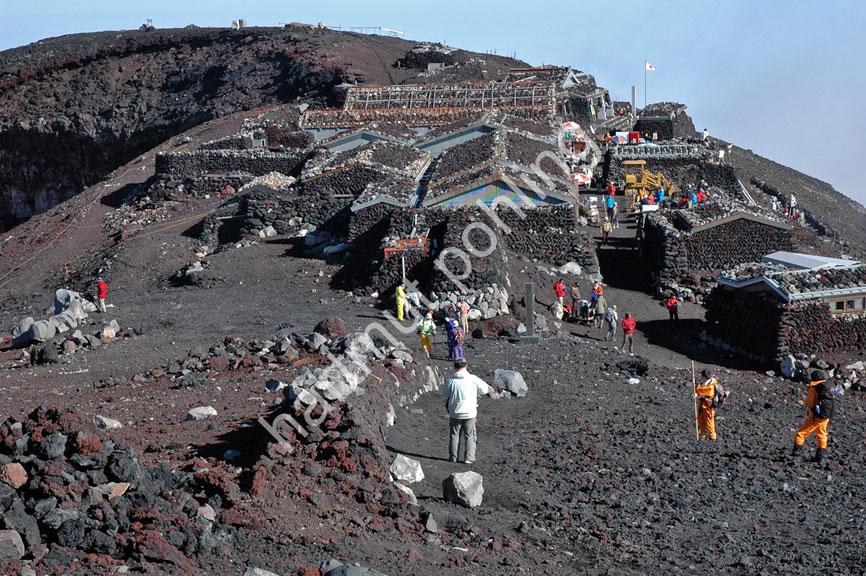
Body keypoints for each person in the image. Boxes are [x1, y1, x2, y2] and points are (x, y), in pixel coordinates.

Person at [442, 358, 494, 464]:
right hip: (469, 412)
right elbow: (484, 390)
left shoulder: (451, 380)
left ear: (455, 366)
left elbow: (445, 393)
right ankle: (469, 458)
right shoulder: (473, 379)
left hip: (455, 412)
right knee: (469, 435)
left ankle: (453, 457)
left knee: (454, 435)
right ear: (466, 365)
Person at [792, 370, 836, 464]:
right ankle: (820, 457)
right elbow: (837, 393)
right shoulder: (828, 386)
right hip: (826, 415)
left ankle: (796, 455)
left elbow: (810, 402)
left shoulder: (813, 387)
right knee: (822, 434)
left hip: (816, 416)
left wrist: (808, 406)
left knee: (801, 433)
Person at [695, 369, 725, 441]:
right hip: (701, 405)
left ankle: (712, 437)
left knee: (709, 421)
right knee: (701, 419)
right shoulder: (703, 383)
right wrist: (696, 394)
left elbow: (706, 393)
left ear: (704, 376)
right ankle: (702, 435)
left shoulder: (712, 385)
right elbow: (698, 391)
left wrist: (700, 396)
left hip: (709, 405)